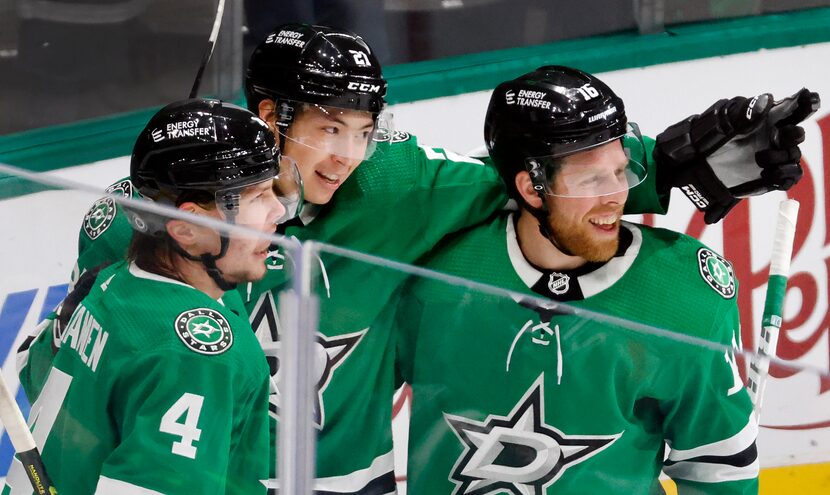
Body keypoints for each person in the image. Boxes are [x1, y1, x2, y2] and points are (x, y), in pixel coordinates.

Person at [240, 23, 813, 494]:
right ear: (272, 116)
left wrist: (676, 162)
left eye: (362, 132)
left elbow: (511, 175)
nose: (347, 156)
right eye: (330, 128)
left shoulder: (389, 185)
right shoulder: (185, 203)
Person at [396, 66, 764, 494]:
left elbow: (718, 467)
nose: (616, 196)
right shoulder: (435, 275)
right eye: (590, 179)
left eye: (620, 171)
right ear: (532, 189)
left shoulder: (681, 296)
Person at [6, 99, 296, 494]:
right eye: (258, 196)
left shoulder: (114, 286)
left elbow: (33, 369)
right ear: (186, 229)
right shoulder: (195, 354)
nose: (278, 211)